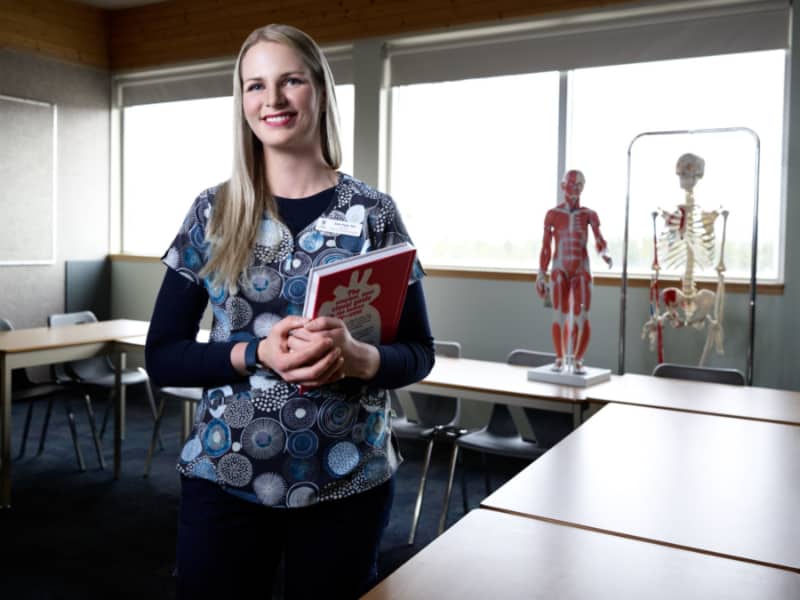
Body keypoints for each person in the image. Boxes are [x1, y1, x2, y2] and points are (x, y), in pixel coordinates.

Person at [145, 23, 434, 599]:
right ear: (242, 102)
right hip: (225, 474)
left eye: (290, 81)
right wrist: (253, 352)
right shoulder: (214, 211)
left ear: (319, 91)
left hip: (348, 480)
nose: (271, 100)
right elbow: (163, 358)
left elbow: (418, 354)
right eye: (255, 86)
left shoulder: (374, 213)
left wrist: (360, 359)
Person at [535, 169, 611, 373]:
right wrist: (541, 273)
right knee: (558, 314)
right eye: (572, 183)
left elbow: (599, 239)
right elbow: (545, 246)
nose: (576, 188)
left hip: (581, 269)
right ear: (563, 186)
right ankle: (559, 358)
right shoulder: (552, 214)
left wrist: (604, 253)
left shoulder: (589, 214)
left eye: (580, 184)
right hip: (559, 268)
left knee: (582, 315)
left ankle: (578, 359)